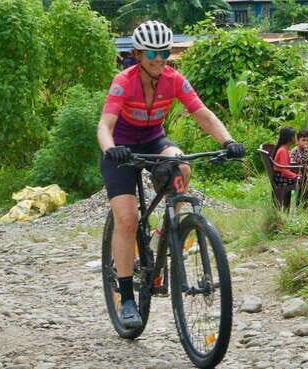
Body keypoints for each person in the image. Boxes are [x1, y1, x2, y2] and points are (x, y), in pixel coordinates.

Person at [96, 20, 245, 329]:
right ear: (138, 53)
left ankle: (166, 232)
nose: (159, 59)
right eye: (152, 53)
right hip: (121, 148)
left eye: (164, 52)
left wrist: (227, 141)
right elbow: (105, 125)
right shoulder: (124, 81)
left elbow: (202, 113)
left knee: (182, 165)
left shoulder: (174, 79)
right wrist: (111, 148)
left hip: (152, 140)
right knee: (126, 219)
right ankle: (125, 298)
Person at [272, 127, 308, 204]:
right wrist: (296, 176)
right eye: (294, 136)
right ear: (289, 138)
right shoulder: (283, 151)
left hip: (281, 177)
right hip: (282, 179)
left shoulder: (283, 149)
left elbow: (287, 167)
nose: (296, 138)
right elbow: (284, 170)